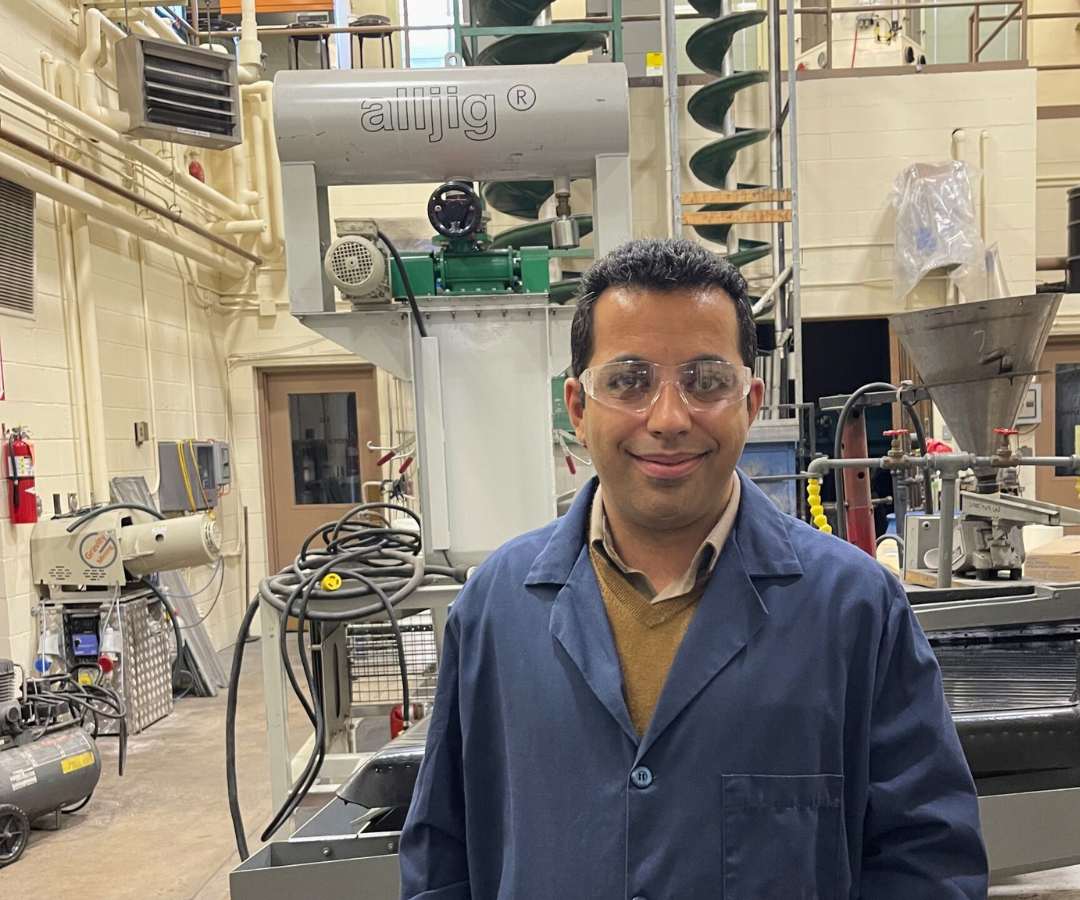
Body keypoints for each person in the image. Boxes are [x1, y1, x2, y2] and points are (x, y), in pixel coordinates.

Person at [399, 238, 988, 899]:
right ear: (576, 407)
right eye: (628, 381)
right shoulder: (495, 609)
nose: (669, 417)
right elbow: (441, 861)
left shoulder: (855, 609)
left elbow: (929, 863)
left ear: (751, 400)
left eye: (707, 381)